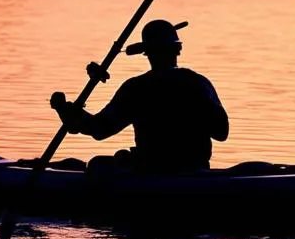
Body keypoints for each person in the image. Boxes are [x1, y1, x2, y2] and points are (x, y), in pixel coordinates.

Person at [50, 19, 229, 174]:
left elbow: (100, 129)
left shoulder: (137, 88)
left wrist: (66, 110)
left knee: (98, 164)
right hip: (195, 170)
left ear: (147, 53)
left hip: (151, 172)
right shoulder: (199, 83)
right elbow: (222, 132)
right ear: (178, 50)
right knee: (113, 160)